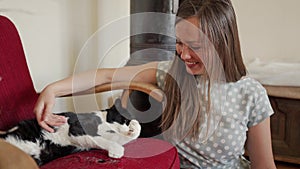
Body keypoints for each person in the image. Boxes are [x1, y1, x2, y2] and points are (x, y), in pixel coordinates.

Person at [34, 0, 277, 168]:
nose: (183, 54)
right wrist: (54, 89)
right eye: (179, 43)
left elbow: (264, 164)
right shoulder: (172, 74)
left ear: (222, 42)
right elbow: (108, 77)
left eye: (195, 47)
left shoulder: (251, 94)